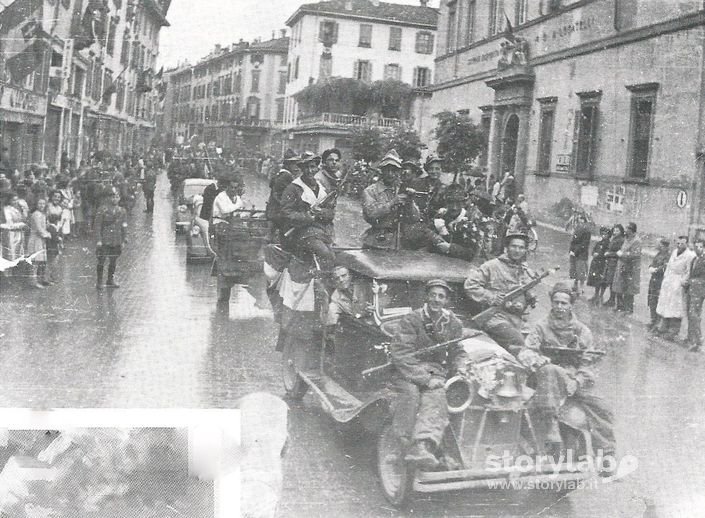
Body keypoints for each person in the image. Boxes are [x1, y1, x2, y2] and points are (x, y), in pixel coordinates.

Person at [519, 282, 615, 454]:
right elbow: (526, 352)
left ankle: (606, 453)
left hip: (573, 377)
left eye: (564, 303)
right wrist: (537, 359)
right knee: (550, 370)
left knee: (601, 407)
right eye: (556, 302)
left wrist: (578, 381)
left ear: (571, 305)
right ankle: (551, 429)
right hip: (547, 377)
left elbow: (589, 361)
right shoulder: (541, 327)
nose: (559, 307)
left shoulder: (582, 331)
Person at [391, 279, 469, 470]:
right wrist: (425, 379)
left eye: (441, 296)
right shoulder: (411, 320)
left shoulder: (453, 323)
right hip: (407, 372)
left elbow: (458, 351)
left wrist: (461, 367)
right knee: (411, 395)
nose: (436, 299)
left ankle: (422, 446)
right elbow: (401, 354)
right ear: (426, 297)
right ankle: (402, 445)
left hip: (436, 373)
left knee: (437, 396)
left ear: (446, 300)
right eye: (433, 295)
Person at [361, 149, 449, 254]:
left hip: (401, 242)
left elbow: (414, 218)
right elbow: (370, 214)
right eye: (387, 170)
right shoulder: (370, 191)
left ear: (398, 171)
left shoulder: (402, 188)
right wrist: (392, 202)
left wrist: (410, 201)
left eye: (394, 170)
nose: (390, 174)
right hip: (376, 241)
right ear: (381, 171)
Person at [464, 232, 538, 351]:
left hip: (517, 319)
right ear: (506, 248)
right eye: (514, 246)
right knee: (518, 341)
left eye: (521, 247)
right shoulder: (491, 266)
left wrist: (531, 298)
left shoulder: (525, 271)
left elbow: (528, 293)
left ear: (525, 251)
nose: (517, 250)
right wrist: (492, 297)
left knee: (534, 343)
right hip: (494, 317)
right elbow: (470, 285)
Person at [279, 152, 336, 277]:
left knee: (335, 256)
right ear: (301, 168)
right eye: (306, 167)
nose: (310, 171)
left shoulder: (322, 188)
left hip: (322, 231)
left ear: (317, 168)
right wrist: (308, 216)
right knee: (325, 254)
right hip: (300, 232)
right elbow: (285, 213)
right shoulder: (293, 188)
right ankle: (321, 281)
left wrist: (321, 213)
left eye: (313, 167)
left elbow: (331, 212)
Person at [656, 235, 695, 341]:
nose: (679, 245)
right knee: (666, 303)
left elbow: (688, 271)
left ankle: (673, 331)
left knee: (676, 307)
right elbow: (669, 266)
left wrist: (683, 282)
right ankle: (663, 327)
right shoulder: (674, 252)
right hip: (670, 280)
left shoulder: (690, 255)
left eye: (682, 243)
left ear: (686, 243)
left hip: (679, 281)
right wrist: (665, 278)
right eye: (678, 243)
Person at [95, 187, 127, 289]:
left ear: (119, 198)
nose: (115, 199)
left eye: (117, 197)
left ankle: (110, 280)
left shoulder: (122, 210)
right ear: (109, 198)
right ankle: (99, 282)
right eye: (112, 197)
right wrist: (99, 240)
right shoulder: (102, 209)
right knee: (102, 260)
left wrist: (124, 239)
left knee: (113, 260)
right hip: (105, 239)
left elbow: (124, 225)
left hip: (116, 239)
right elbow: (97, 225)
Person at [432, 184, 475, 261]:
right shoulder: (441, 215)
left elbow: (472, 253)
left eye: (458, 203)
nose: (454, 207)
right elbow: (427, 237)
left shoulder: (470, 219)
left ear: (463, 203)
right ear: (446, 203)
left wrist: (450, 248)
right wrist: (436, 239)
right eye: (451, 203)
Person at [266, 149, 300, 243]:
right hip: (278, 213)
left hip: (273, 211)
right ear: (288, 164)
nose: (297, 167)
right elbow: (279, 195)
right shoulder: (286, 176)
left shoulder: (281, 174)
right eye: (294, 164)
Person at [685, 239, 705, 352]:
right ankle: (692, 338)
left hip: (699, 291)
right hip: (691, 290)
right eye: (696, 246)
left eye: (700, 247)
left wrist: (694, 282)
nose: (697, 248)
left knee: (694, 314)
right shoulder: (694, 259)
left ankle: (697, 339)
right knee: (690, 313)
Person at [647, 239, 671, 330]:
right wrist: (650, 267)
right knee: (651, 300)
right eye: (660, 246)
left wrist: (656, 269)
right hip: (653, 280)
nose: (660, 247)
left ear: (666, 247)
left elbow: (665, 267)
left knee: (657, 301)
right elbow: (652, 263)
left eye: (662, 246)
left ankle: (657, 323)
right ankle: (653, 320)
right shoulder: (658, 254)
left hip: (660, 280)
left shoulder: (668, 256)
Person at [27, 198, 51, 288]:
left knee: (41, 261)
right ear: (36, 205)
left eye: (43, 203)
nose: (41, 205)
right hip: (35, 239)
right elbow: (38, 229)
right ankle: (33, 282)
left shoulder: (42, 214)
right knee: (35, 261)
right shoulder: (36, 214)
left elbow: (43, 227)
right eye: (39, 203)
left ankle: (41, 280)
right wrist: (47, 235)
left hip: (41, 240)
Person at [601, 224, 625, 308]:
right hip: (609, 262)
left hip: (614, 263)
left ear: (621, 231)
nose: (615, 232)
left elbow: (619, 252)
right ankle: (610, 299)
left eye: (617, 231)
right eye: (614, 230)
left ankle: (612, 300)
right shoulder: (613, 239)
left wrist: (609, 253)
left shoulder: (621, 240)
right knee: (608, 280)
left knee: (612, 281)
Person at [587, 227, 611, 305]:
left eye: (606, 234)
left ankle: (601, 295)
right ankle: (596, 294)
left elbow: (607, 253)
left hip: (603, 264)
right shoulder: (599, 242)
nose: (604, 236)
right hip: (596, 263)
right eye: (603, 234)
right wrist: (593, 253)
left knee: (602, 280)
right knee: (596, 280)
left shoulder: (608, 244)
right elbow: (594, 250)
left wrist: (599, 255)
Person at [0, 192, 27, 264]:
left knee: (20, 254)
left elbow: (24, 219)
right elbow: (10, 224)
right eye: (13, 200)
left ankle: (17, 272)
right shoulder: (7, 209)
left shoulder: (18, 209)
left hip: (19, 234)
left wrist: (24, 210)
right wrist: (21, 225)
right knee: (12, 255)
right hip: (11, 234)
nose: (15, 202)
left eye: (16, 200)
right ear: (9, 200)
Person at [569, 215, 591, 296]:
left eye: (582, 221)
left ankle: (581, 288)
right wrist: (571, 250)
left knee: (581, 271)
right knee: (574, 270)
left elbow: (584, 244)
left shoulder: (587, 231)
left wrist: (575, 251)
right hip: (574, 253)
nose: (580, 223)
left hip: (581, 253)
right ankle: (575, 284)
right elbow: (573, 241)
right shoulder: (576, 229)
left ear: (585, 222)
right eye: (579, 221)